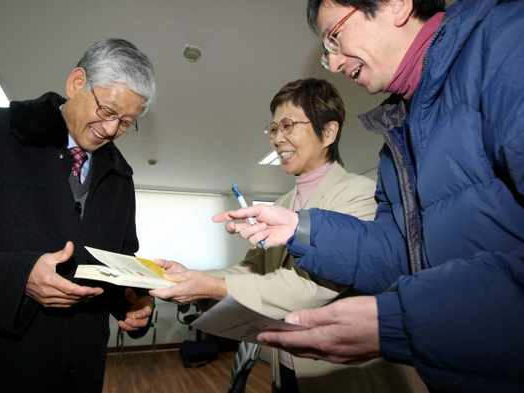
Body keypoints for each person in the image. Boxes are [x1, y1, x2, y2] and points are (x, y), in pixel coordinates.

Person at [212, 0, 524, 392]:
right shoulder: (399, 139)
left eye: (335, 37)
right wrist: (298, 228)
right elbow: (396, 255)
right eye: (327, 52)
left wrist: (403, 321)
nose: (336, 62)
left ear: (397, 4)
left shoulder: (506, 47)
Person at [151, 78, 414, 392]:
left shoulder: (360, 194)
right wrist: (193, 277)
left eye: (288, 125)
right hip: (288, 367)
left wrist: (210, 286)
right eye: (274, 129)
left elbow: (311, 288)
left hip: (345, 377)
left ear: (328, 132)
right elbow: (252, 268)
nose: (277, 138)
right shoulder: (281, 205)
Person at [0, 38, 157, 392]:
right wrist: (18, 277)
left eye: (127, 122)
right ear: (77, 83)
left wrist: (134, 301)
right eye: (108, 111)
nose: (113, 130)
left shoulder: (120, 178)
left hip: (81, 372)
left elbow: (117, 262)